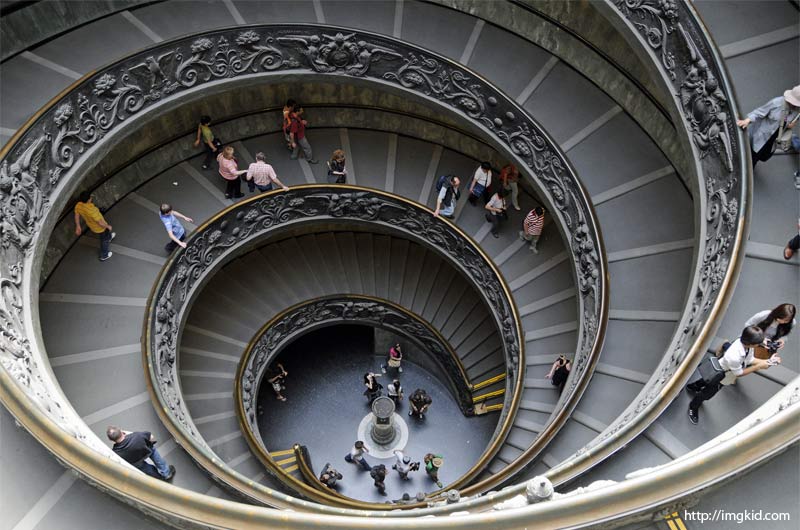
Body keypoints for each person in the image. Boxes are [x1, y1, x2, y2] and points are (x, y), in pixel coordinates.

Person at [686, 326, 779, 425]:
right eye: (758, 344)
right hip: (722, 376)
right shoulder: (734, 356)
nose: (760, 345)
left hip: (722, 369)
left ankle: (694, 386)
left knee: (708, 380)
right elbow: (739, 373)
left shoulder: (744, 342)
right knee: (707, 393)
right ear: (751, 344)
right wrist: (758, 367)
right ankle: (693, 406)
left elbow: (750, 359)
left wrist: (767, 361)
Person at [737, 85, 800, 167]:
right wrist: (747, 120)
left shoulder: (797, 110)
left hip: (775, 137)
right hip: (762, 136)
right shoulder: (776, 103)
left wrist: (792, 123)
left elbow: (794, 119)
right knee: (753, 157)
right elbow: (759, 112)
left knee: (764, 156)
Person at [106, 426, 175, 481]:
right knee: (152, 449)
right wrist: (129, 433)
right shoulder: (137, 436)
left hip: (136, 461)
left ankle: (158, 479)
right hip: (146, 451)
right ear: (121, 431)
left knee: (145, 468)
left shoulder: (115, 452)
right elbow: (151, 437)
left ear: (111, 440)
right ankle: (166, 473)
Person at [74, 192, 115, 261]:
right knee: (104, 240)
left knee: (106, 234)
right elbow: (99, 222)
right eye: (90, 197)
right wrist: (107, 226)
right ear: (88, 200)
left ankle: (109, 237)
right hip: (100, 228)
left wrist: (78, 226)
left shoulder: (79, 205)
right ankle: (104, 255)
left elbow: (77, 215)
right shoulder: (92, 211)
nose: (91, 198)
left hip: (92, 226)